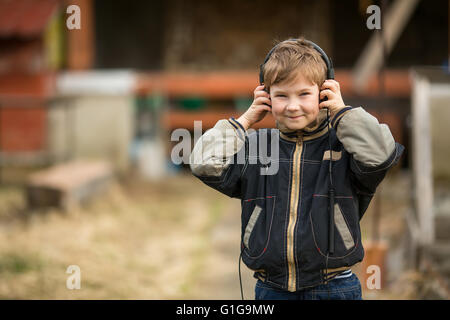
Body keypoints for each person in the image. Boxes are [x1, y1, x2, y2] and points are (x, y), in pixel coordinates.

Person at [189, 37, 404, 300]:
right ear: (266, 97)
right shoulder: (258, 148)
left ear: (324, 93)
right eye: (281, 95)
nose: (292, 106)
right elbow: (203, 162)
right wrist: (244, 121)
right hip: (271, 288)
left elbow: (382, 153)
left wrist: (342, 112)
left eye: (304, 94)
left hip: (335, 286)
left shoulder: (346, 146)